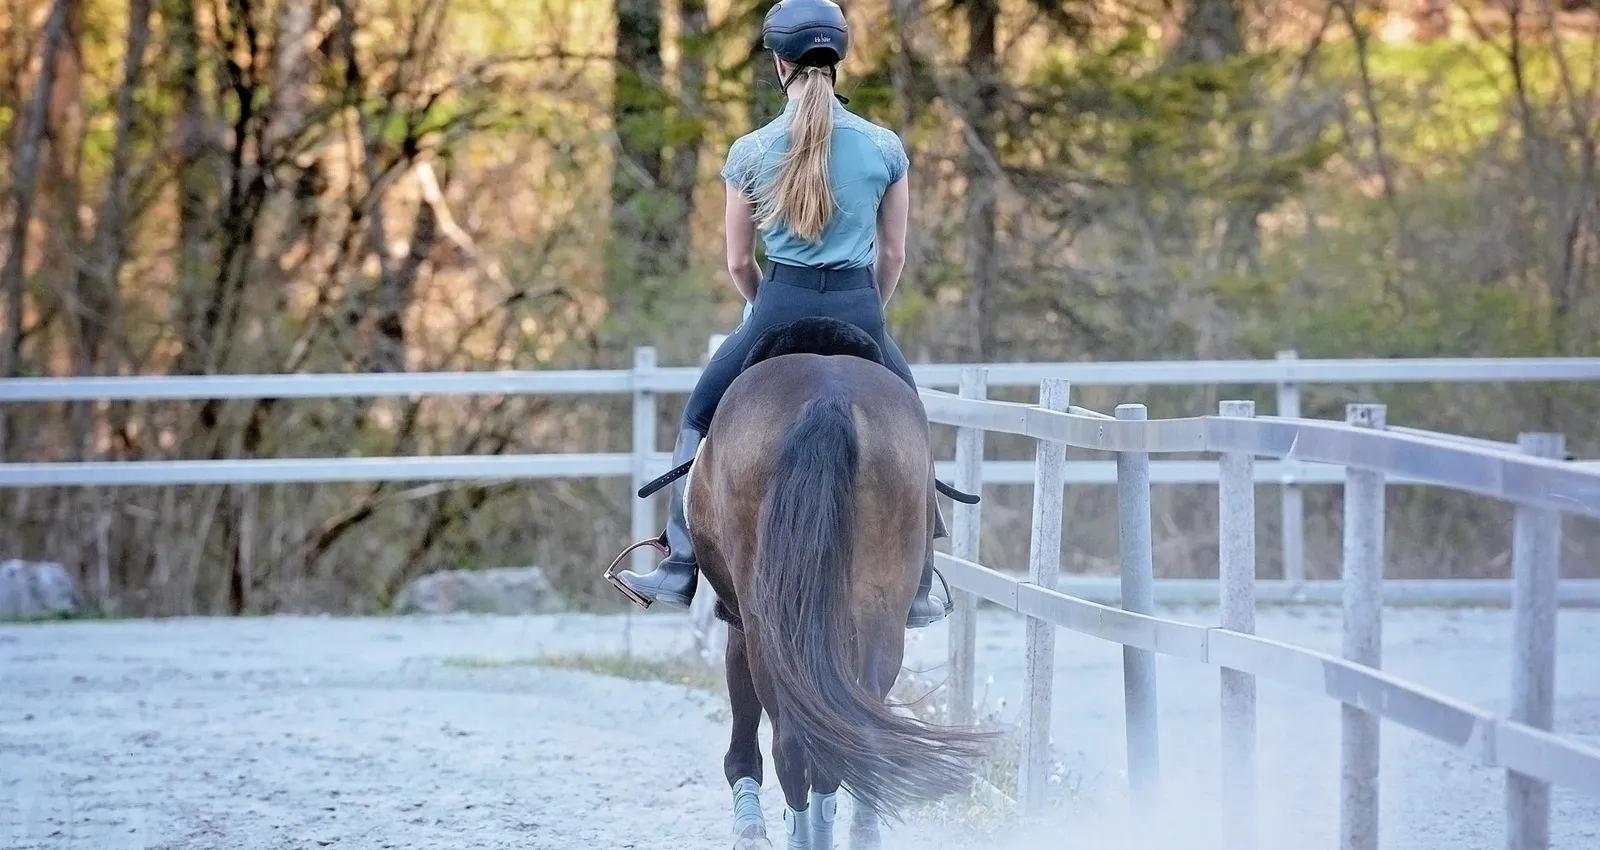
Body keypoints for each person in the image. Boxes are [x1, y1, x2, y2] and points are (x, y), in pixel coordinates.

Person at [614, 0, 952, 628]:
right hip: (860, 306)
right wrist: (866, 310)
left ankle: (679, 564)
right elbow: (897, 251)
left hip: (778, 303)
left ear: (779, 62)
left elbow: (739, 260)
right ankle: (922, 581)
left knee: (699, 412)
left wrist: (762, 306)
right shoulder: (884, 147)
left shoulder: (750, 150)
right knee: (910, 420)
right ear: (838, 58)